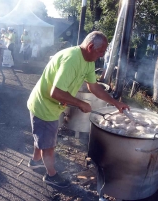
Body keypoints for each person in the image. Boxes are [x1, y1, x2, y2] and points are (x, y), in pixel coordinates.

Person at [27, 31, 130, 188]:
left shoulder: (88, 60)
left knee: (42, 137)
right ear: (90, 47)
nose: (102, 55)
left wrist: (114, 102)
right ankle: (51, 176)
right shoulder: (71, 60)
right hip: (44, 107)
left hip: (51, 107)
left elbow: (94, 87)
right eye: (101, 51)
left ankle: (35, 161)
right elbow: (56, 92)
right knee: (48, 145)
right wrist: (80, 103)